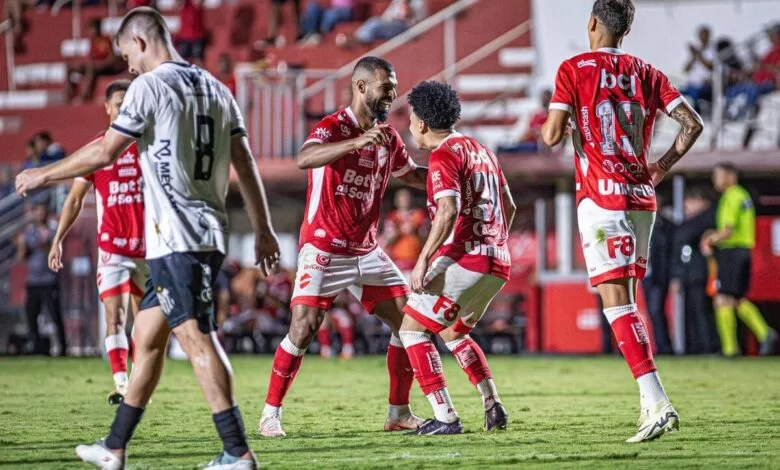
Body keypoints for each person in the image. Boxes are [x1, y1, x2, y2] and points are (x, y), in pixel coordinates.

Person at [16, 7, 280, 469]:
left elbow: (106, 150)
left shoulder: (149, 86)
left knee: (196, 338)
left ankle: (237, 451)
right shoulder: (217, 88)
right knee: (147, 336)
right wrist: (263, 229)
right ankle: (114, 446)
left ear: (139, 42)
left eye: (126, 56)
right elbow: (245, 162)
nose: (129, 66)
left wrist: (44, 174)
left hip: (179, 237)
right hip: (202, 233)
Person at [541, 0, 704, 442]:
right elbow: (692, 124)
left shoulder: (573, 68)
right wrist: (661, 167)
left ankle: (658, 401)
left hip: (602, 197)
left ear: (592, 22)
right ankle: (648, 403)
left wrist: (564, 124)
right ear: (626, 30)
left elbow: (551, 135)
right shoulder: (646, 72)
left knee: (616, 305)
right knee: (628, 302)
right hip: (641, 197)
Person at [257, 56, 429, 438]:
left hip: (366, 250)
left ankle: (398, 413)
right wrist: (355, 141)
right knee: (303, 328)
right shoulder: (333, 127)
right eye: (387, 88)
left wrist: (452, 176)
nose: (393, 95)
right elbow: (304, 158)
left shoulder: (389, 138)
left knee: (410, 322)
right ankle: (270, 414)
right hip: (325, 247)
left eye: (395, 88)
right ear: (362, 87)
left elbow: (412, 176)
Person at [399, 80, 515, 435]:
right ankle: (492, 404)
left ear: (421, 123)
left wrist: (423, 260)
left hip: (467, 257)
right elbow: (509, 206)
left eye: (410, 120)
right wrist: (493, 243)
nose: (409, 127)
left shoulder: (443, 155)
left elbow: (448, 210)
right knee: (453, 332)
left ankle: (446, 417)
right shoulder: (483, 150)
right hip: (498, 261)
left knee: (411, 330)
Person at [48, 80, 146, 405]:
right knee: (114, 317)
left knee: (145, 324)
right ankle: (121, 384)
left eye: (129, 104)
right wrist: (58, 239)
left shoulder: (149, 145)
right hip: (113, 248)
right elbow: (75, 199)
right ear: (107, 108)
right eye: (118, 104)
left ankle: (138, 383)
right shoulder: (97, 149)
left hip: (148, 248)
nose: (124, 109)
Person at [701, 163, 778, 356]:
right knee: (736, 298)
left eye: (718, 175)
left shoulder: (732, 197)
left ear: (730, 176)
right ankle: (764, 333)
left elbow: (727, 231)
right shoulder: (743, 195)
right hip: (743, 251)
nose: (715, 180)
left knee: (722, 298)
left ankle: (731, 349)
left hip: (732, 251)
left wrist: (710, 239)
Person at [16, 201, 67, 356]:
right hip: (33, 281)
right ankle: (36, 346)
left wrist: (44, 245)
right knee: (31, 316)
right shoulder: (29, 232)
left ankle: (62, 347)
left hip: (49, 280)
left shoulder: (53, 230)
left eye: (43, 211)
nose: (40, 214)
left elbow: (56, 251)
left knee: (54, 315)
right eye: (38, 211)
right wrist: (21, 244)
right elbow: (22, 256)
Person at [673, 187, 718, 354]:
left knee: (702, 311)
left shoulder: (707, 219)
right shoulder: (690, 222)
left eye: (691, 201)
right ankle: (695, 347)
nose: (687, 205)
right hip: (688, 275)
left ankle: (708, 347)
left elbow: (684, 235)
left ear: (702, 202)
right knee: (691, 312)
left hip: (702, 275)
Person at [641, 200, 674, 355]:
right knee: (652, 312)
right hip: (646, 275)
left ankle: (665, 347)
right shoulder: (640, 225)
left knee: (656, 311)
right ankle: (661, 346)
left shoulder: (664, 226)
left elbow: (667, 253)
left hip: (658, 276)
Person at [66, 18, 124, 102]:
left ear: (97, 28)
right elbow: (91, 57)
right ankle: (69, 95)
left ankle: (85, 96)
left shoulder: (105, 40)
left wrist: (99, 64)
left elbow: (111, 59)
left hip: (105, 67)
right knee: (70, 67)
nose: (89, 32)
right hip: (93, 65)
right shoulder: (92, 41)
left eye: (91, 29)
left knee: (91, 69)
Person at [381, 188, 427, 277]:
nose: (405, 200)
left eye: (407, 197)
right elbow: (386, 241)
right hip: (398, 262)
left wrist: (415, 231)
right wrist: (400, 230)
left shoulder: (420, 215)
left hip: (416, 261)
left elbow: (426, 238)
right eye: (402, 198)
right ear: (396, 201)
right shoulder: (392, 217)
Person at [680, 25, 713, 112]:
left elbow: (709, 66)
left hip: (703, 87)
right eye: (701, 35)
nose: (703, 38)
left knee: (692, 98)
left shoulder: (711, 51)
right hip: (690, 86)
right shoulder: (696, 52)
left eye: (705, 35)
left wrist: (698, 54)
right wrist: (693, 57)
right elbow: (686, 69)